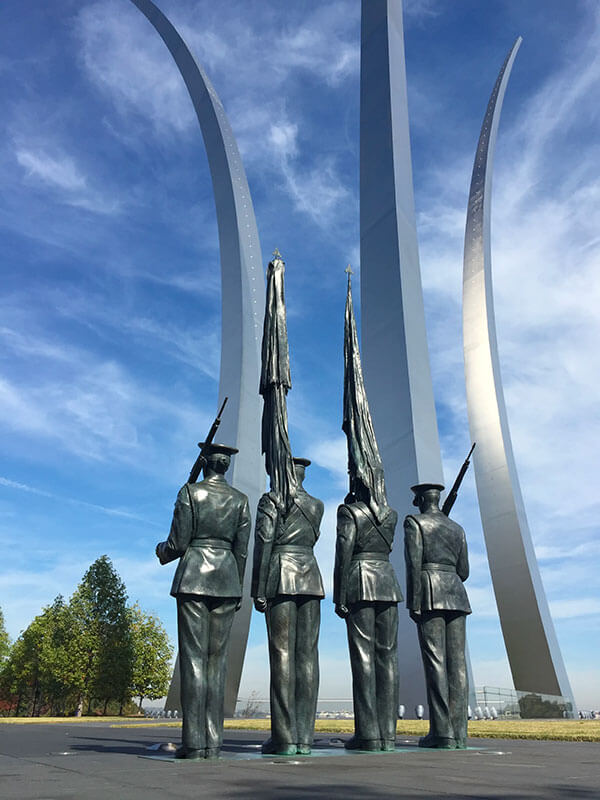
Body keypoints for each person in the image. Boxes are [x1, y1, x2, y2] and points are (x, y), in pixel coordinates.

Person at [156, 443, 251, 760]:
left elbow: (177, 542)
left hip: (195, 577)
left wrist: (162, 552)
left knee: (194, 660)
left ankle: (194, 741)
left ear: (205, 463)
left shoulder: (190, 493)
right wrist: (235, 584)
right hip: (226, 580)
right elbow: (241, 550)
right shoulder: (240, 500)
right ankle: (213, 739)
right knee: (217, 661)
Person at [252, 457, 324, 755]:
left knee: (282, 654)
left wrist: (258, 588)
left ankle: (283, 737)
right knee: (308, 656)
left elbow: (264, 541)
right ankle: (304, 737)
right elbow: (315, 537)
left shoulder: (272, 500)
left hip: (281, 574)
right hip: (310, 576)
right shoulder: (317, 505)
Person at [334, 480, 402, 751]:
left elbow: (344, 554)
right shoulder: (392, 515)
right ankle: (388, 734)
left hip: (360, 581)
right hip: (387, 582)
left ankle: (369, 733)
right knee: (388, 657)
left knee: (363, 657)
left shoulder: (349, 512)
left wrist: (339, 597)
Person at [404, 483, 471, 749]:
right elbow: (464, 570)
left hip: (431, 592)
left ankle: (442, 732)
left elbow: (413, 564)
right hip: (456, 593)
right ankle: (459, 731)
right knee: (458, 665)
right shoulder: (457, 528)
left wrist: (414, 602)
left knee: (436, 662)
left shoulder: (415, 523)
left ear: (420, 499)